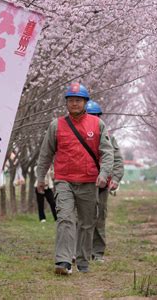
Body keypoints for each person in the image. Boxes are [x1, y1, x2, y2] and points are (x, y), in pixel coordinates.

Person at [36, 82, 114, 275]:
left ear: (85, 102)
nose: (74, 104)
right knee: (65, 219)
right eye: (71, 100)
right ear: (66, 103)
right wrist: (40, 178)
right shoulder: (56, 125)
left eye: (78, 100)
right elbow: (46, 154)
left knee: (87, 223)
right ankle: (63, 261)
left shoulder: (98, 125)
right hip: (64, 180)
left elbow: (107, 152)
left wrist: (104, 174)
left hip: (89, 182)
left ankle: (82, 259)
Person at [85, 99, 124, 262]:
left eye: (96, 116)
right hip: (82, 183)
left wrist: (115, 178)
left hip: (102, 185)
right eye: (90, 115)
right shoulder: (75, 136)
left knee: (99, 218)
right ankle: (79, 251)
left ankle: (98, 252)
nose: (93, 119)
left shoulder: (109, 137)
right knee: (80, 218)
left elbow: (117, 160)